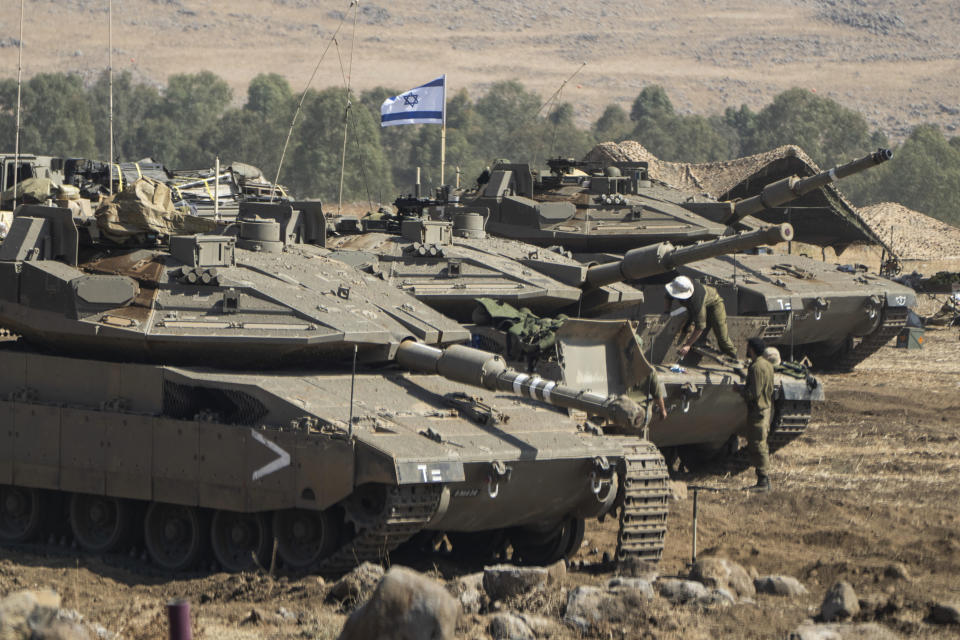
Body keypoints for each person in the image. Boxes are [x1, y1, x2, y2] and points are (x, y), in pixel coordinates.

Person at [665, 275, 737, 359]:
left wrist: (688, 345)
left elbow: (700, 327)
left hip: (714, 304)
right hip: (693, 306)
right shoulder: (677, 284)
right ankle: (697, 341)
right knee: (686, 327)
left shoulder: (696, 300)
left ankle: (733, 357)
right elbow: (668, 297)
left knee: (722, 336)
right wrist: (666, 312)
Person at [742, 336, 774, 492]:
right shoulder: (767, 365)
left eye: (748, 347)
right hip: (765, 408)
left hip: (758, 411)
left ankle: (763, 480)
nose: (747, 350)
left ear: (752, 349)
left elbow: (753, 393)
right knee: (760, 443)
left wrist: (740, 390)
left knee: (758, 444)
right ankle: (764, 480)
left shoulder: (756, 367)